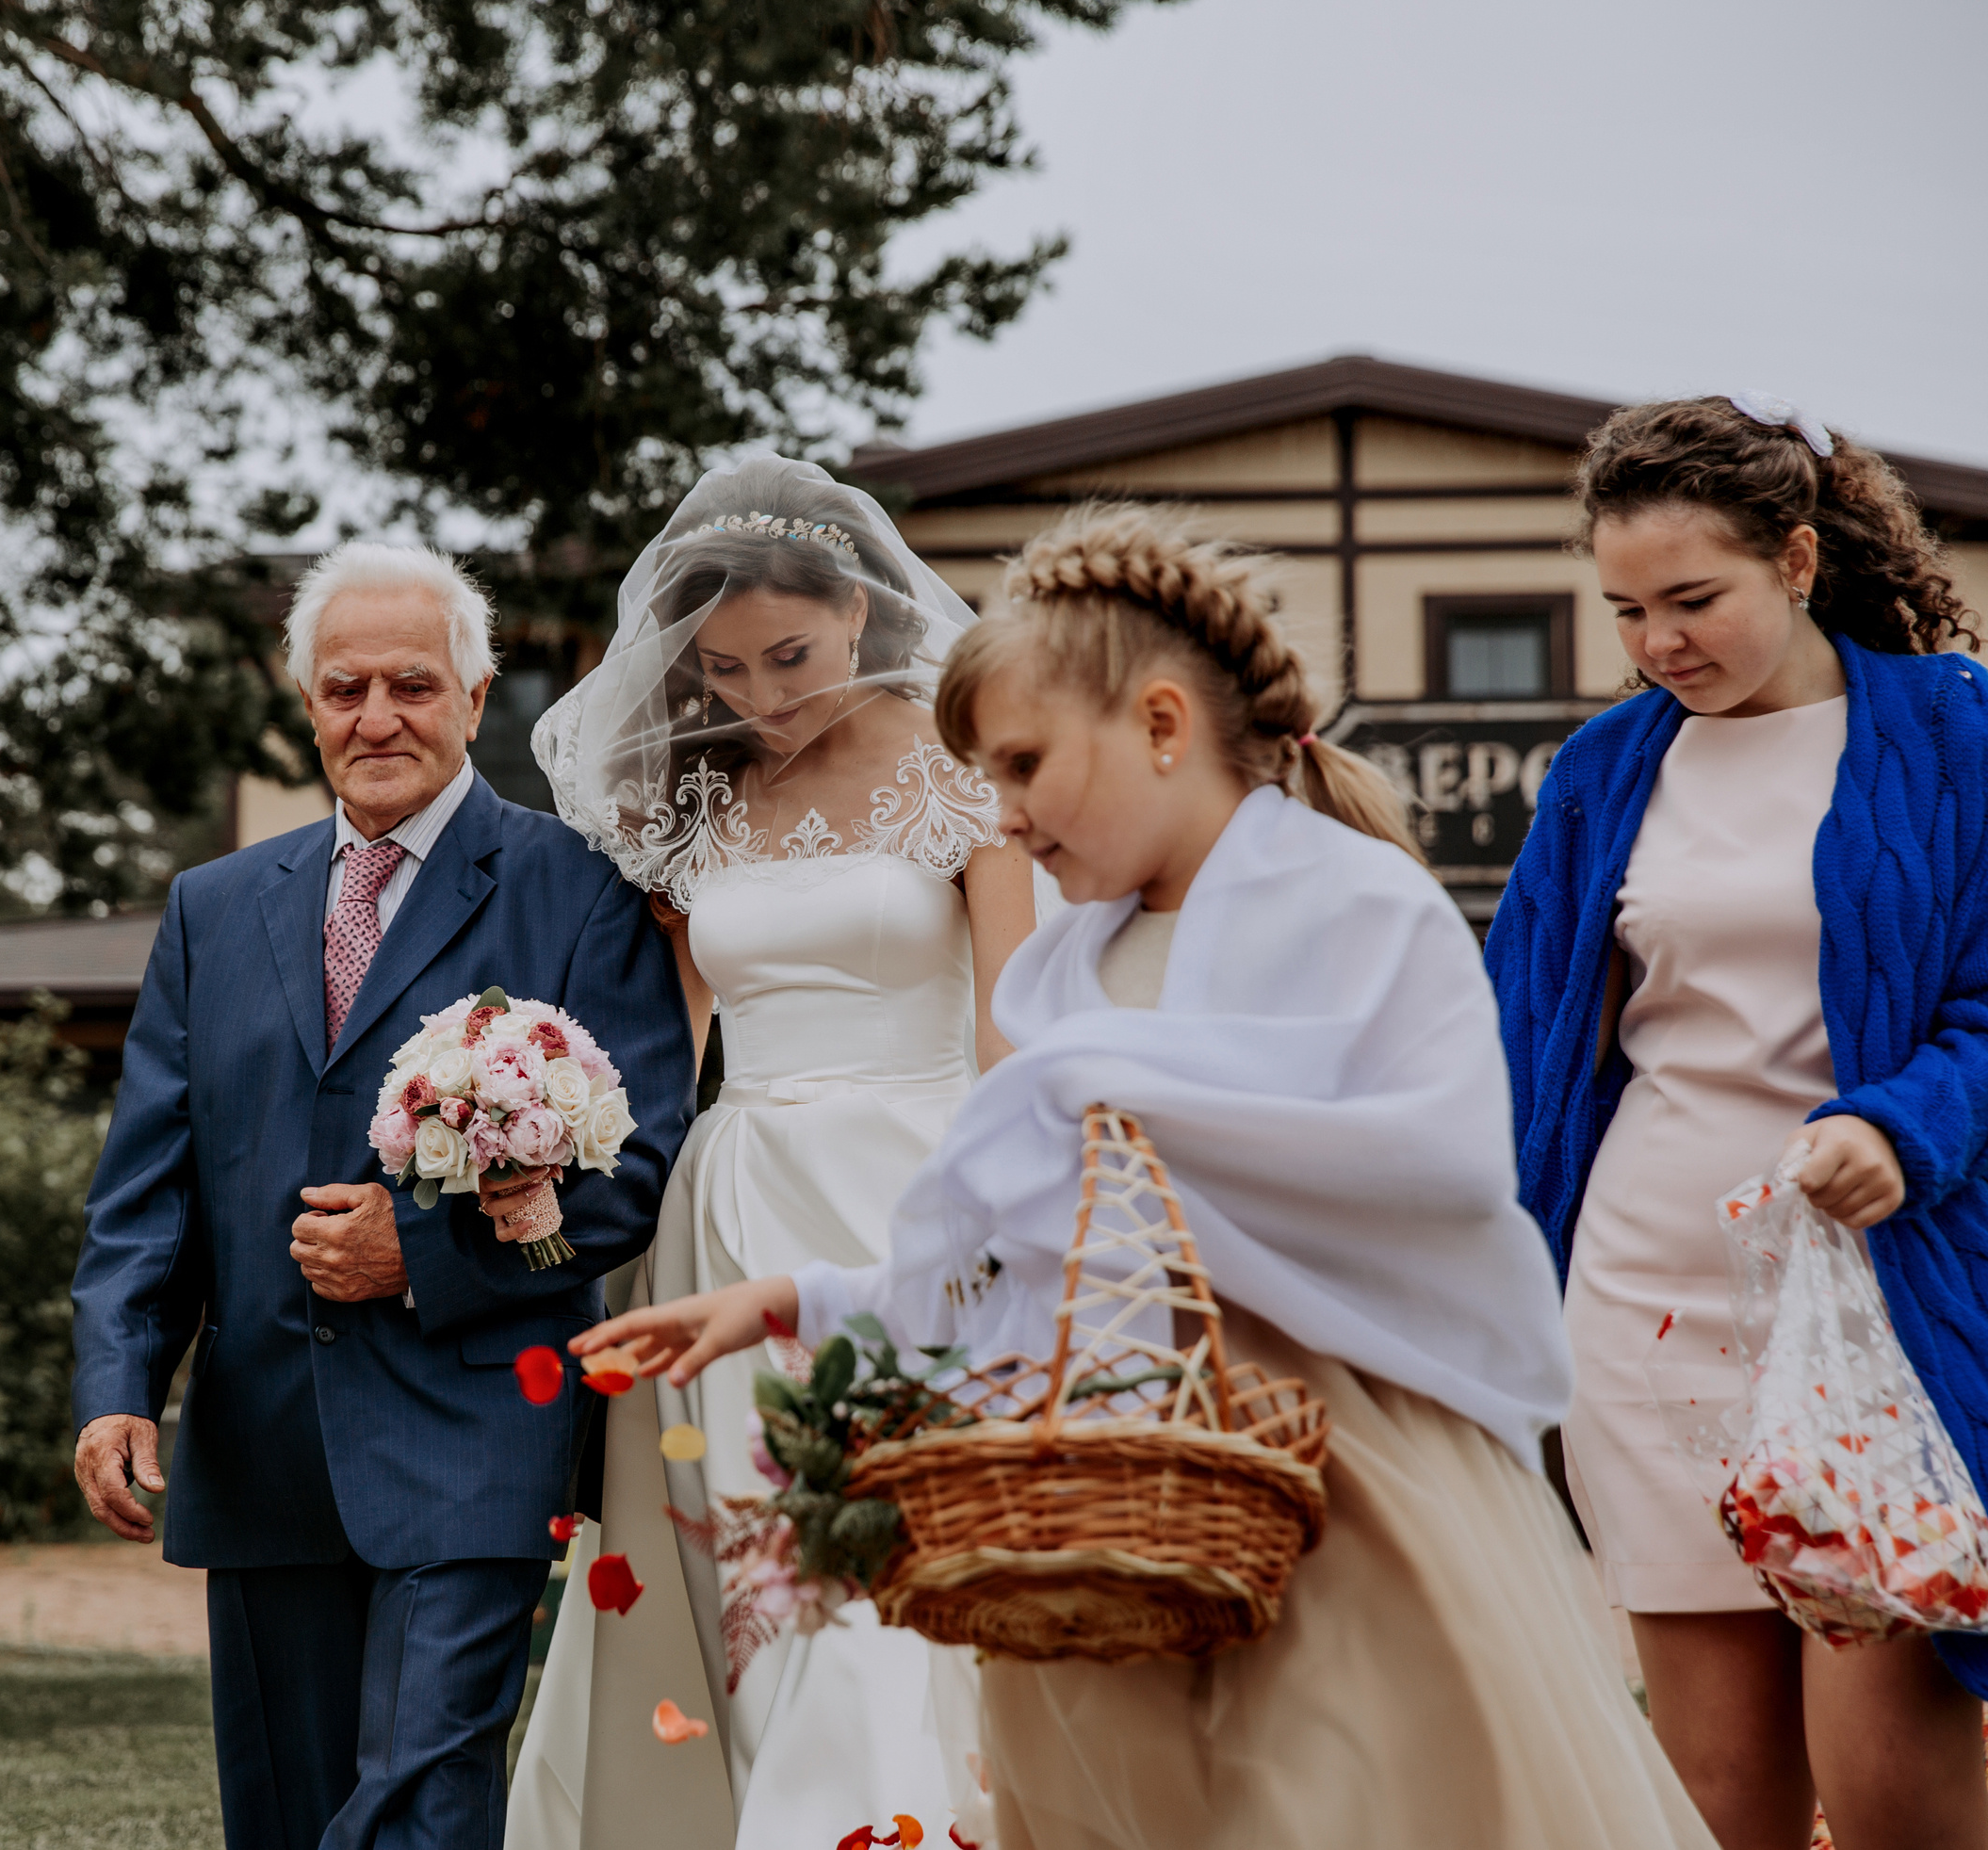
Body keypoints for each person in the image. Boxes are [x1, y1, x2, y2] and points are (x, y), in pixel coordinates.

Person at [573, 504, 1717, 1850]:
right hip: (1121, 1469)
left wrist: (1115, 1100)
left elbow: (1437, 1173)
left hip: (1329, 1459)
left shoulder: (1357, 903)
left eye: (1023, 765)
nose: (997, 814)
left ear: (1162, 727)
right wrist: (792, 1303)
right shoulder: (1067, 967)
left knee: (1340, 1792)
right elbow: (1013, 1247)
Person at [67, 543, 695, 1850]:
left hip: (473, 1427)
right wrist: (119, 1383)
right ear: (308, 707)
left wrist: (423, 1253)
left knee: (418, 1803)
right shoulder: (212, 908)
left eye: (413, 683)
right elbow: (149, 1187)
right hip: (261, 1447)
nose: (376, 716)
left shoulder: (578, 889)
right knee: (286, 1819)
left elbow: (637, 1169)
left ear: (475, 696)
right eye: (344, 687)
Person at [509, 456, 1037, 1848]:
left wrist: (1001, 1221)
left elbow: (1017, 1021)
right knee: (753, 1554)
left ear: (861, 613)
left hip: (916, 1193)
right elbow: (664, 1045)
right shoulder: (697, 803)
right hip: (732, 1203)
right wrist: (546, 1150)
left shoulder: (969, 765)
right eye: (729, 670)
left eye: (792, 656)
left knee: (882, 1542)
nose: (767, 695)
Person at [1487, 396, 1988, 1850]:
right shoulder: (1601, 773)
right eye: (1626, 609)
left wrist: (1901, 1130)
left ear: (1798, 557)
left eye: (1693, 599)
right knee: (1716, 1806)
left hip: (1881, 1307)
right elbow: (1516, 1050)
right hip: (1645, 1299)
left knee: (1896, 1798)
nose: (1658, 644)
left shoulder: (1956, 731)